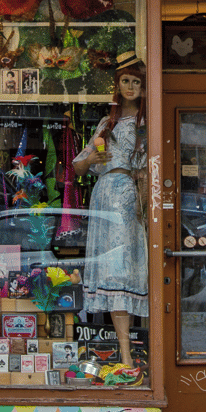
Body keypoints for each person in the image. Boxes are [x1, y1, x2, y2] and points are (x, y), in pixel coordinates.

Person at [73, 52, 148, 382]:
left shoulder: (146, 123)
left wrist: (142, 206)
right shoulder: (107, 124)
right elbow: (77, 166)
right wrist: (92, 158)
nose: (131, 86)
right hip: (103, 194)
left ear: (144, 87)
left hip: (128, 195)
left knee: (125, 273)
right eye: (126, 81)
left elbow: (147, 170)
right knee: (113, 272)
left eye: (136, 81)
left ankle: (131, 354)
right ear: (117, 86)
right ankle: (124, 353)